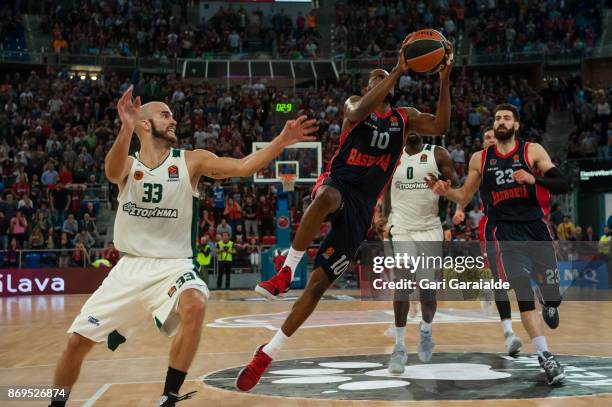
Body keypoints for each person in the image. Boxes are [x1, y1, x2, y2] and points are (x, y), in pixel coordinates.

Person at [48, 86, 317, 407]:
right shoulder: (128, 164)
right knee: (76, 343)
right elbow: (111, 171)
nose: (173, 120)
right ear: (145, 124)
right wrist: (125, 126)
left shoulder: (191, 161)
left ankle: (169, 397)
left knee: (196, 302)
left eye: (173, 114)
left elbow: (243, 167)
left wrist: (281, 142)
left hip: (173, 266)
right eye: (165, 114)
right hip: (129, 269)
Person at [237, 38, 452, 391]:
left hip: (363, 209)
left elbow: (441, 124)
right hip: (339, 185)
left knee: (319, 285)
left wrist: (444, 78)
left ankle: (268, 352)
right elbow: (355, 112)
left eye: (380, 79)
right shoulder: (355, 106)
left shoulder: (404, 118)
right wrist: (397, 69)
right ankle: (287, 270)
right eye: (372, 80)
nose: (375, 83)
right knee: (325, 196)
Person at [428, 103, 570, 385]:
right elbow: (464, 195)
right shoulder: (480, 158)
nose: (501, 121)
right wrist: (447, 192)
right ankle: (545, 357)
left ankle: (550, 302)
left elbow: (564, 183)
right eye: (497, 118)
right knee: (521, 290)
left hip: (535, 229)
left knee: (551, 295)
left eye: (507, 118)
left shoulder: (533, 151)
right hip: (504, 232)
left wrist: (535, 178)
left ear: (516, 125)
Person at [377, 130, 461, 373]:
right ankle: (399, 347)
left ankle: (425, 330)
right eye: (408, 125)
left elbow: (455, 185)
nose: (412, 129)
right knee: (402, 283)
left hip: (430, 228)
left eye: (417, 124)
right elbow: (386, 189)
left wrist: (445, 186)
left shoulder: (437, 153)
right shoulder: (392, 157)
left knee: (427, 291)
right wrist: (382, 214)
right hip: (401, 227)